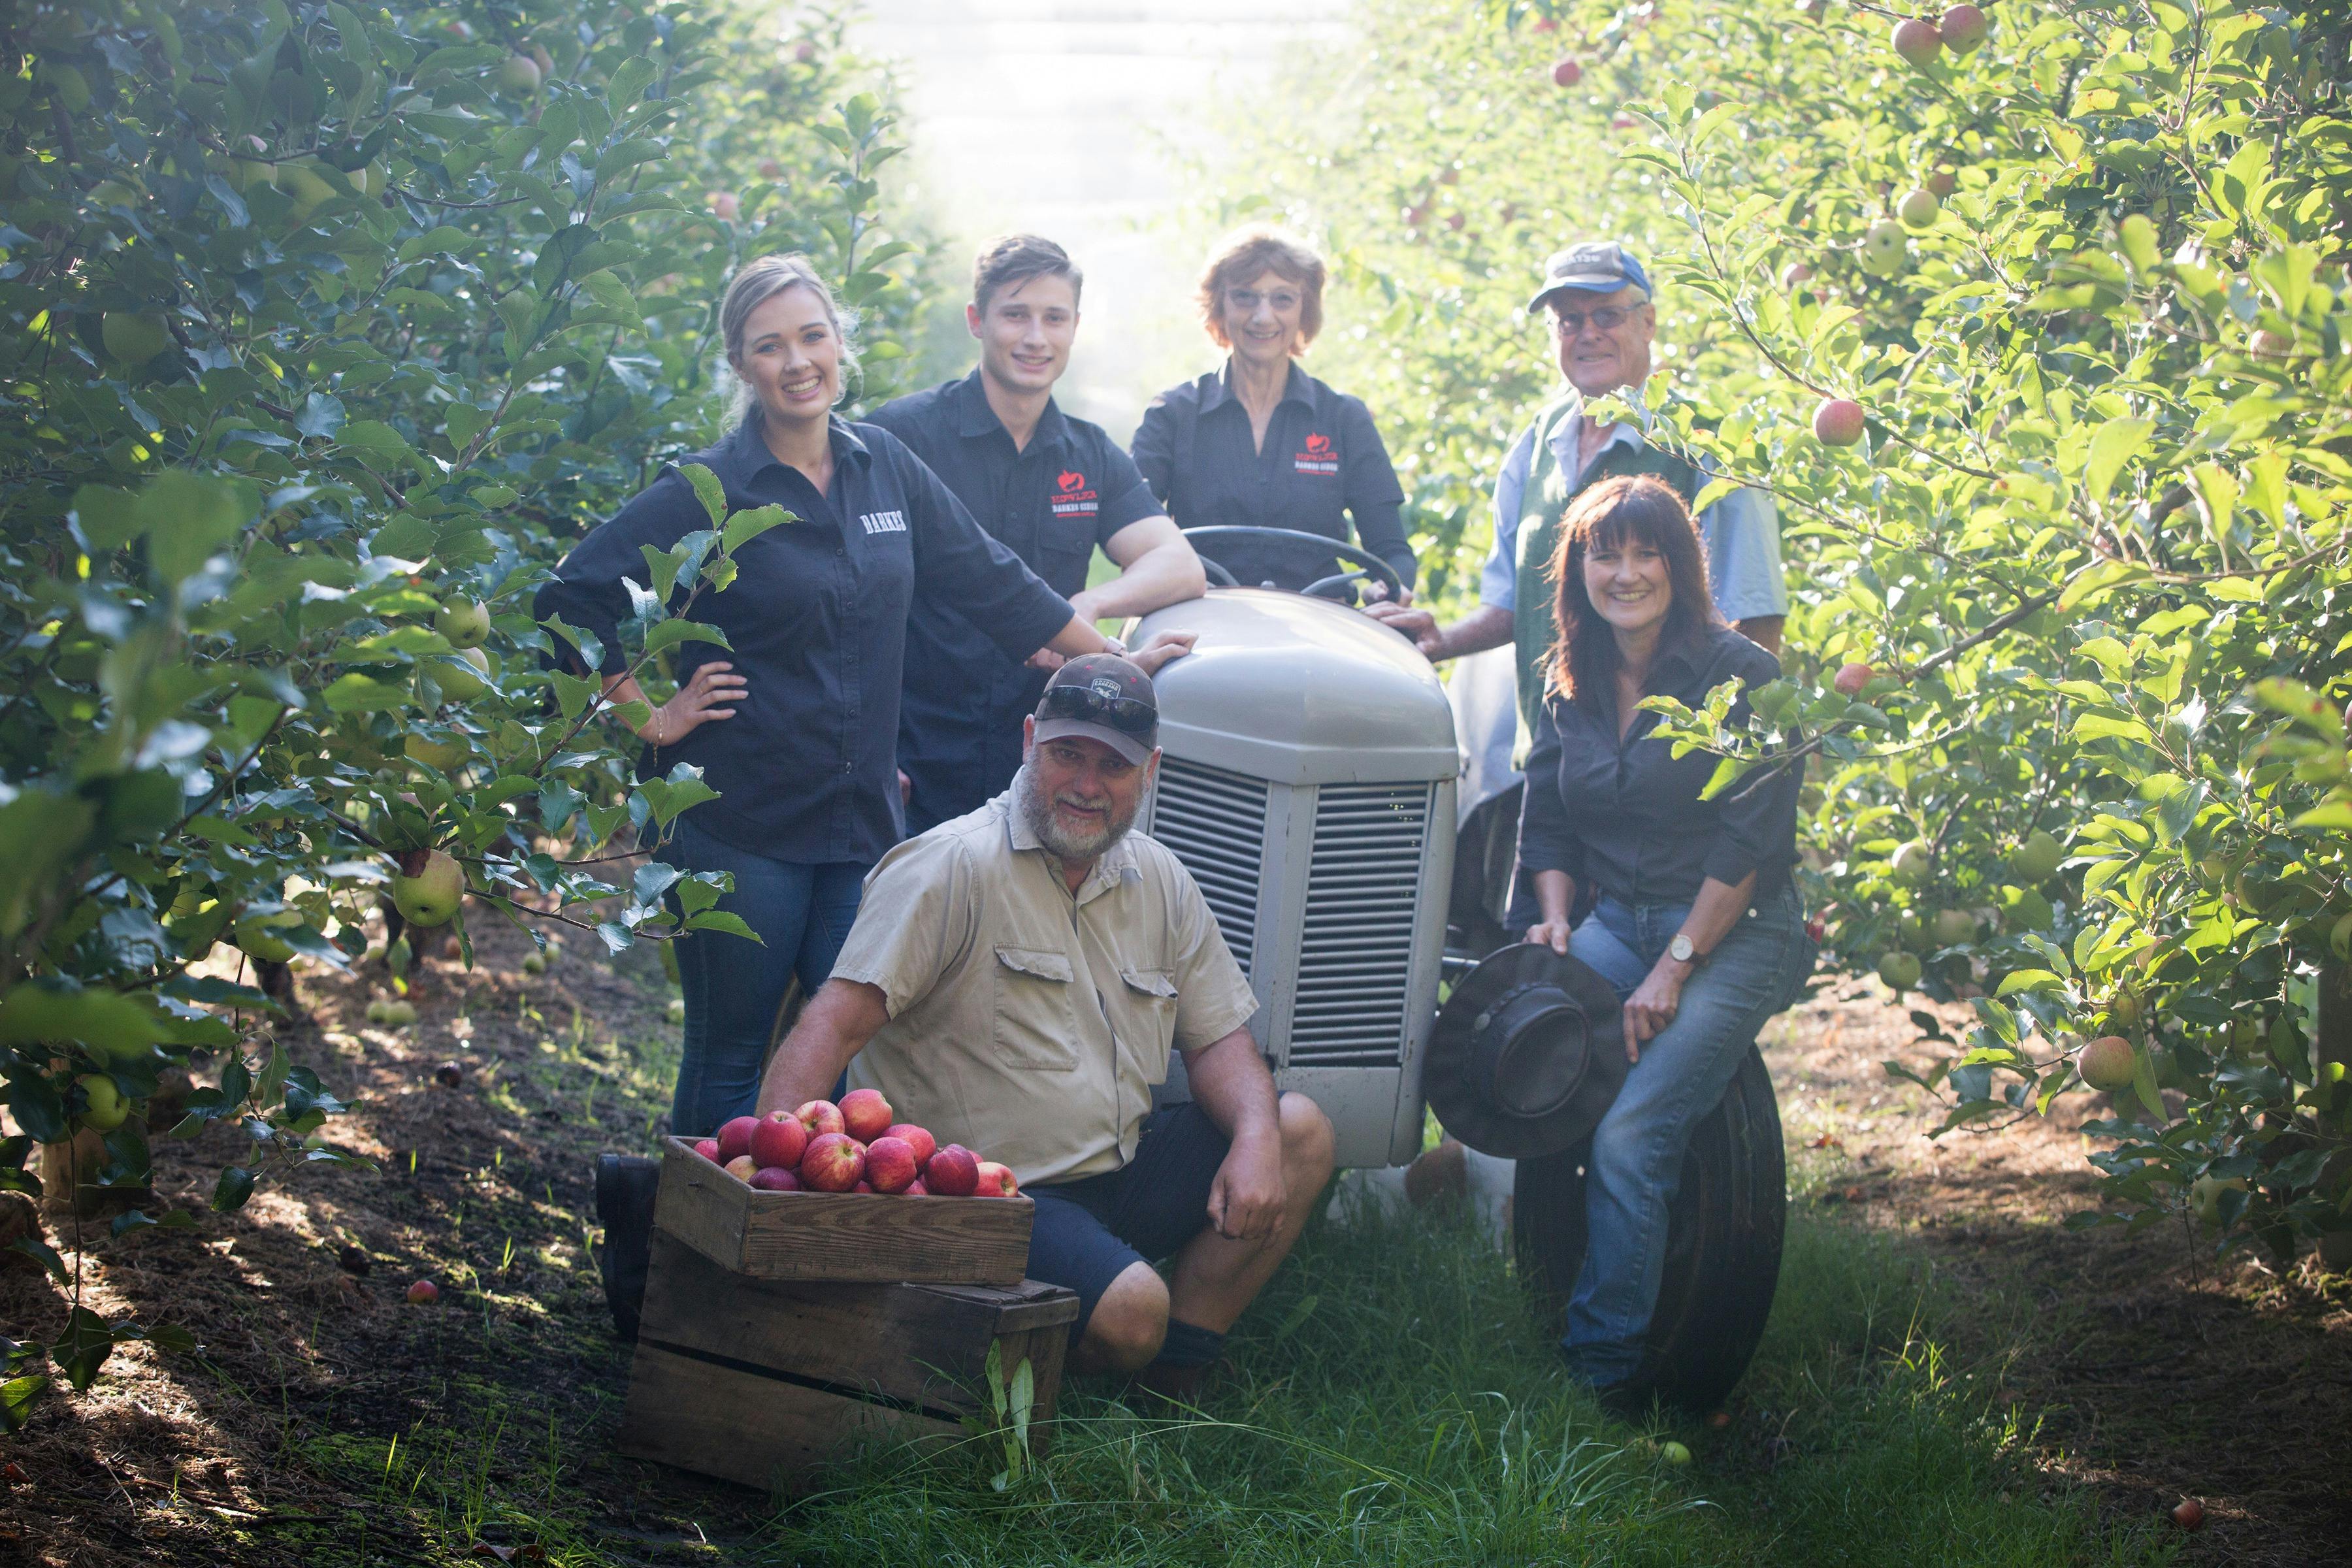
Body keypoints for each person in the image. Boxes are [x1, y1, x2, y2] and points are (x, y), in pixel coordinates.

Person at [538, 256, 1192, 1335]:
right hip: (738, 825)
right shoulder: (716, 486)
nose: (797, 363)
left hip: (861, 829)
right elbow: (569, 598)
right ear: (742, 366)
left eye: (811, 338)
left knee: (850, 1057)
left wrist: (1103, 674)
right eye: (769, 347)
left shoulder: (883, 465)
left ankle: (790, 1287)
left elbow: (994, 583)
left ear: (840, 342)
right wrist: (647, 714)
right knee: (732, 1061)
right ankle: (684, 1305)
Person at [753, 655, 1335, 1397]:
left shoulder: (1160, 879)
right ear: (1030, 741)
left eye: (1113, 765)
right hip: (987, 1198)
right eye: (1067, 755)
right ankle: (1065, 1358)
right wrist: (771, 1201)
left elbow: (1219, 1041)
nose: (1087, 785)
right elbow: (830, 1026)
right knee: (1130, 1310)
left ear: (1148, 770)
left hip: (1119, 1169)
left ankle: (1174, 1383)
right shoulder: (951, 866)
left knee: (1299, 1132)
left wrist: (1255, 1143)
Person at [1514, 474, 1809, 1405]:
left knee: (1635, 1134)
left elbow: (1753, 840)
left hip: (1735, 931)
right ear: (1579, 568)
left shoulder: (1742, 676)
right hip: (1613, 923)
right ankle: (1551, 1278)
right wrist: (1557, 915)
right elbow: (1548, 821)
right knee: (1531, 1060)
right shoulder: (1568, 677)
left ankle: (1603, 1379)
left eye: (1648, 553)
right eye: (1607, 552)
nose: (1627, 572)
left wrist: (1674, 966)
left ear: (1680, 567)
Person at [1365, 240, 1788, 741]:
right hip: (1552, 759)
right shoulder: (1536, 444)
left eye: (1607, 315)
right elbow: (1513, 606)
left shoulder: (1707, 444)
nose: (1588, 334)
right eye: (1569, 321)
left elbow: (1755, 617)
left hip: (1665, 767)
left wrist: (1726, 743)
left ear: (1647, 322)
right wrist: (1441, 639)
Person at [868, 235, 1206, 834]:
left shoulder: (1090, 453)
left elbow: (1178, 564)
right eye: (1015, 315)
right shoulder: (902, 438)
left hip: (1044, 766)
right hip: (913, 764)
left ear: (1076, 326)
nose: (1035, 338)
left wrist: (1089, 605)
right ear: (977, 320)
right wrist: (871, 757)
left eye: (1054, 318)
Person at [1131, 227, 1417, 598]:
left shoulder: (1345, 419)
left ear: (1305, 311)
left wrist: (1388, 588)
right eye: (1245, 297)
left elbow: (1394, 552)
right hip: (1197, 619)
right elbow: (1131, 532)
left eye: (1282, 299)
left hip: (1320, 625)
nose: (1263, 317)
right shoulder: (1171, 416)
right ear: (1220, 306)